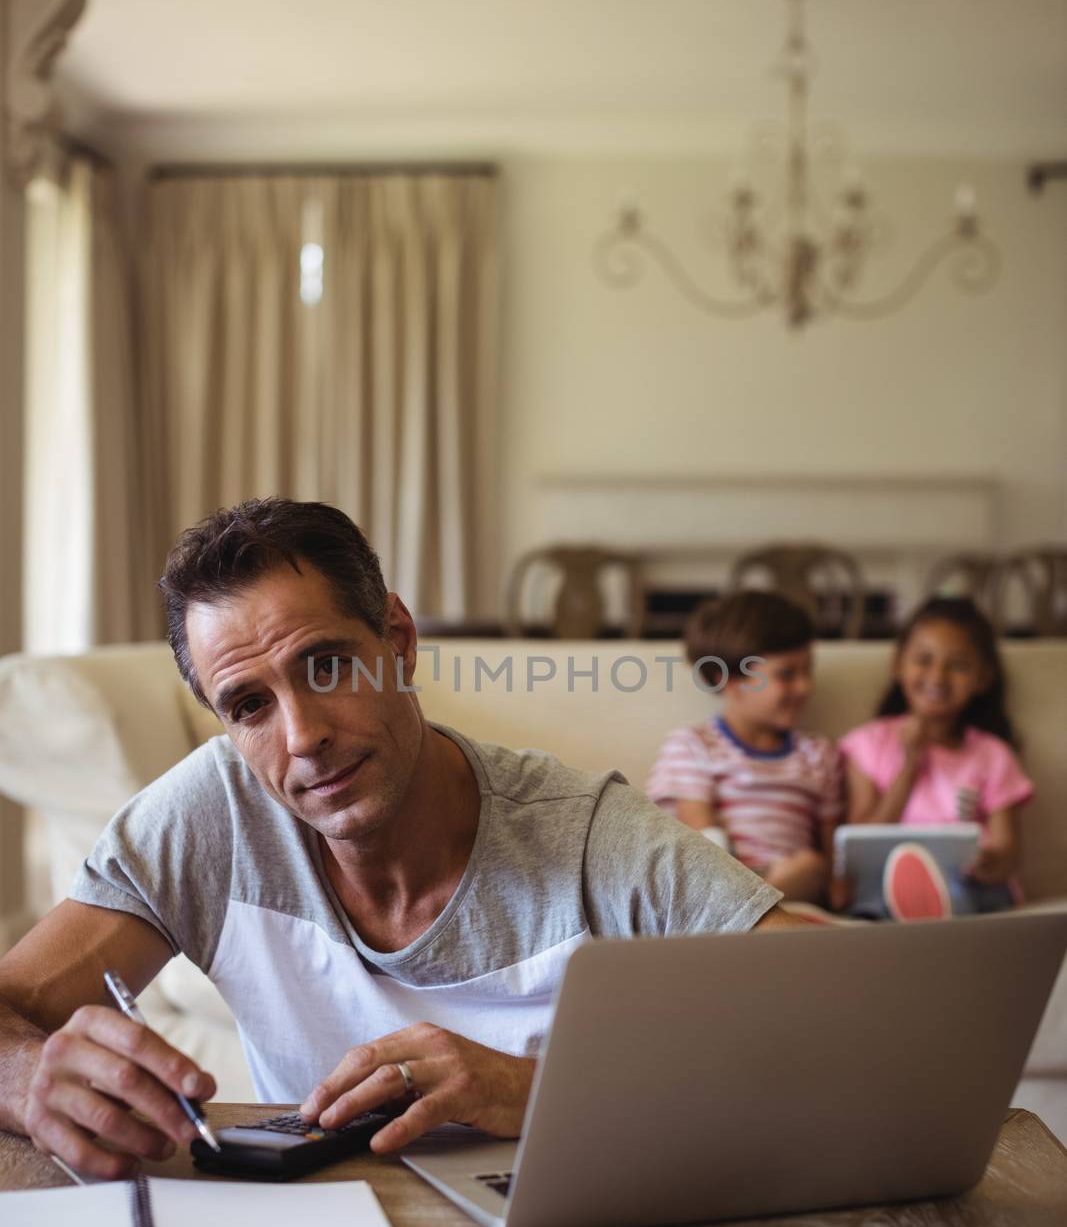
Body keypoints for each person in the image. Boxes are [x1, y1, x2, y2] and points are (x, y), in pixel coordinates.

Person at [0, 498, 803, 1181]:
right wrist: (31, 1072)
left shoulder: (586, 831)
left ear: (398, 642)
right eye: (249, 706)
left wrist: (541, 1089)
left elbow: (845, 1012)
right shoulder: (210, 816)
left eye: (326, 667)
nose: (304, 735)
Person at [838, 596, 1034, 920]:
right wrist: (908, 768)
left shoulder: (992, 755)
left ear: (983, 677)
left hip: (971, 883)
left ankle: (929, 911)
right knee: (871, 895)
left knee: (955, 887)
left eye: (957, 665)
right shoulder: (869, 743)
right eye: (924, 659)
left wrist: (988, 862)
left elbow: (1009, 853)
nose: (938, 676)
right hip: (887, 881)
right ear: (898, 664)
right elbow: (861, 841)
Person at [646, 590, 842, 904]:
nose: (805, 686)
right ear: (728, 679)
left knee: (809, 867)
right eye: (787, 675)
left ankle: (759, 912)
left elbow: (833, 845)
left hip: (793, 886)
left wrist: (837, 886)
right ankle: (745, 909)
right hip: (719, 877)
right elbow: (701, 832)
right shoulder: (693, 746)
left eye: (808, 671)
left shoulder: (817, 754)